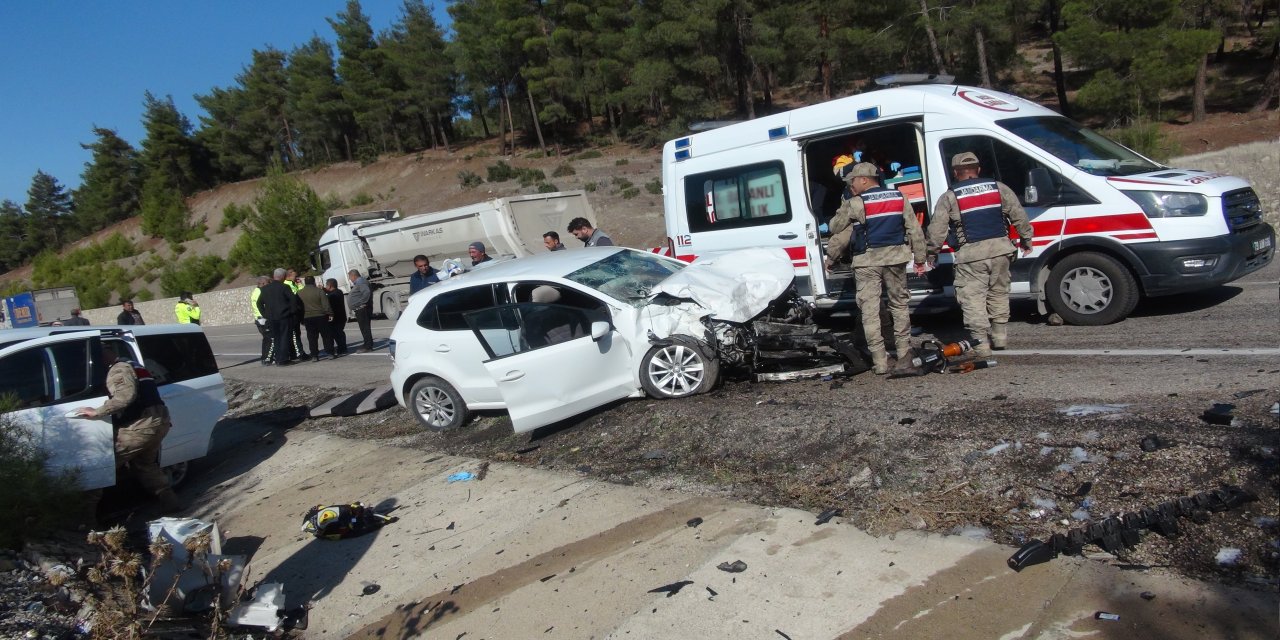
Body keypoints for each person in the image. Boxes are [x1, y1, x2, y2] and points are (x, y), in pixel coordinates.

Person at [926, 152, 1034, 356]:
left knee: (973, 298)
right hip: (1001, 251)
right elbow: (1019, 216)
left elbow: (937, 230)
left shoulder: (950, 196)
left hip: (971, 256)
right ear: (978, 169)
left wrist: (930, 253)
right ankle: (1000, 336)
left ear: (955, 173)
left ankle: (981, 344)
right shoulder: (999, 188)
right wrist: (1026, 240)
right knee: (998, 291)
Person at [825, 162, 927, 375]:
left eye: (853, 180)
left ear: (864, 179)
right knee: (899, 306)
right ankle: (904, 355)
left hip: (867, 262)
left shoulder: (856, 202)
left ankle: (880, 362)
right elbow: (915, 230)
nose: (851, 185)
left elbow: (835, 227)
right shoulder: (899, 197)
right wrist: (920, 259)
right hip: (895, 259)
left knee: (869, 312)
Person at [74, 342, 182, 514]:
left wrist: (97, 412)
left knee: (102, 467)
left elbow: (125, 397)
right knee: (145, 465)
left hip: (140, 427)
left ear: (103, 354)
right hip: (158, 422)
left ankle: (85, 521)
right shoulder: (133, 364)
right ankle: (171, 503)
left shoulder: (119, 369)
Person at [256, 268, 296, 366]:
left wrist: (265, 314)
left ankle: (278, 358)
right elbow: (293, 301)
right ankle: (283, 360)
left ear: (274, 276)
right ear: (282, 277)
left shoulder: (265, 289)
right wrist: (292, 312)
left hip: (271, 318)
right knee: (284, 338)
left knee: (277, 338)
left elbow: (259, 303)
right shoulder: (284, 287)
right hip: (284, 317)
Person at [297, 276, 337, 361]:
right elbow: (326, 304)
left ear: (305, 283)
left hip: (307, 317)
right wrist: (330, 314)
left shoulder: (300, 293)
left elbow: (299, 307)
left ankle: (314, 355)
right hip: (321, 316)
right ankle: (330, 353)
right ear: (314, 282)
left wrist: (301, 318)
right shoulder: (319, 291)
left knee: (312, 337)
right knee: (326, 335)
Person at [347, 269, 375, 351]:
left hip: (362, 309)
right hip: (361, 309)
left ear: (354, 276)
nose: (350, 279)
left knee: (365, 328)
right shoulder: (360, 282)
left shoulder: (361, 282)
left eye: (350, 277)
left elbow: (366, 293)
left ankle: (368, 346)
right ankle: (366, 343)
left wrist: (362, 303)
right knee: (364, 328)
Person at [324, 278, 349, 356]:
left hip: (336, 318)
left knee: (337, 334)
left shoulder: (331, 296)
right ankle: (343, 347)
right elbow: (330, 292)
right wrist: (324, 290)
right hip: (342, 316)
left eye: (326, 285)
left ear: (330, 285)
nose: (326, 287)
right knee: (340, 333)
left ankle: (342, 349)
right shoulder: (339, 292)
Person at [251, 276, 272, 365]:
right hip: (263, 319)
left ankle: (266, 357)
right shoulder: (261, 292)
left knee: (267, 339)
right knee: (269, 339)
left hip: (259, 319)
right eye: (268, 282)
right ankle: (266, 358)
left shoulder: (255, 291)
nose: (270, 284)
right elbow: (261, 305)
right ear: (262, 283)